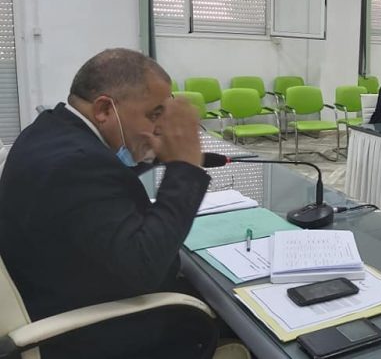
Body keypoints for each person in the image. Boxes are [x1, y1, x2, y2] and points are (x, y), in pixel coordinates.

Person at [0, 49, 226, 358]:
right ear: (105, 109)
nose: (159, 127)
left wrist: (156, 154)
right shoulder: (78, 166)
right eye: (154, 114)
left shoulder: (51, 130)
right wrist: (184, 169)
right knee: (226, 311)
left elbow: (99, 186)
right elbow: (144, 267)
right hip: (87, 335)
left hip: (54, 287)